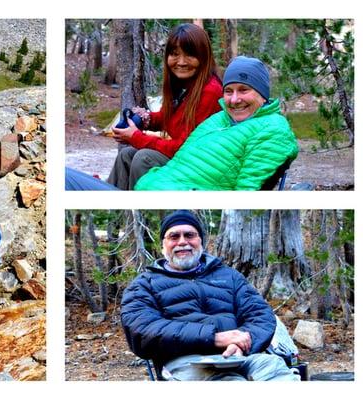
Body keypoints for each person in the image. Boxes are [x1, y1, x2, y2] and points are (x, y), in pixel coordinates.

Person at [120, 210, 300, 381]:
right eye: (174, 236)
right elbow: (143, 330)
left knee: (276, 371)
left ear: (201, 241)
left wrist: (241, 342)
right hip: (186, 363)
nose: (183, 242)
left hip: (239, 356)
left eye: (190, 235)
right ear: (163, 245)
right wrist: (214, 338)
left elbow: (260, 314)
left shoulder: (229, 276)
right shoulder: (144, 284)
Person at [134, 56, 299, 190]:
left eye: (244, 90)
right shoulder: (219, 119)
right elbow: (179, 163)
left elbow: (247, 193)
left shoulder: (273, 129)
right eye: (228, 91)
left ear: (262, 94)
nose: (234, 100)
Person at [106, 23, 222, 190]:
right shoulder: (185, 85)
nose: (181, 62)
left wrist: (136, 137)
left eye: (189, 55)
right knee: (126, 155)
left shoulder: (210, 91)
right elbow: (170, 118)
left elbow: (184, 147)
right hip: (183, 158)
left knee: (144, 158)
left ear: (203, 56)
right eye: (175, 54)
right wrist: (146, 119)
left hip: (198, 165)